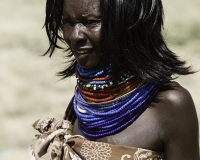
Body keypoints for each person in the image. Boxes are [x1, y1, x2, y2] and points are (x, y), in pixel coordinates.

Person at [31, 0, 199, 159]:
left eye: (90, 22)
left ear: (129, 22)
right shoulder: (81, 106)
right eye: (67, 22)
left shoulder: (171, 106)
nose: (75, 36)